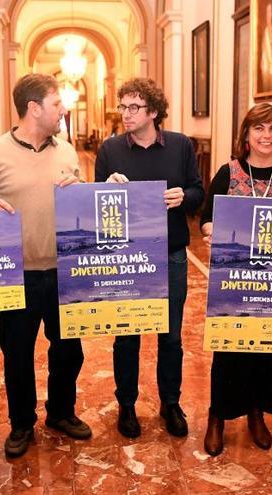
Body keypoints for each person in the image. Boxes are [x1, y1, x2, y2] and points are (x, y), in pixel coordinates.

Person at [0, 73, 90, 458]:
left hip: (65, 272)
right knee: (18, 353)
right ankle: (22, 423)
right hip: (17, 276)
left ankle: (61, 412)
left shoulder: (67, 151)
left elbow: (85, 205)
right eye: (57, 104)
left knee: (69, 351)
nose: (63, 110)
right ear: (34, 108)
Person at [199, 103, 272, 456]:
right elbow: (205, 219)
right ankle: (218, 416)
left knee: (271, 353)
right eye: (259, 129)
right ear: (246, 136)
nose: (267, 136)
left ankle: (257, 412)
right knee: (230, 353)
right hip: (237, 283)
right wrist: (212, 230)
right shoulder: (228, 172)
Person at [95, 77, 204, 439]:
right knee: (126, 334)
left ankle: (170, 403)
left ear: (153, 112)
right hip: (126, 255)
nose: (125, 114)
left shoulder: (180, 145)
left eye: (133, 107)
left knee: (170, 335)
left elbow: (198, 190)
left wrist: (182, 197)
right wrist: (106, 189)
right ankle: (126, 405)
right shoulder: (110, 150)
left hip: (170, 253)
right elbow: (97, 201)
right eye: (122, 106)